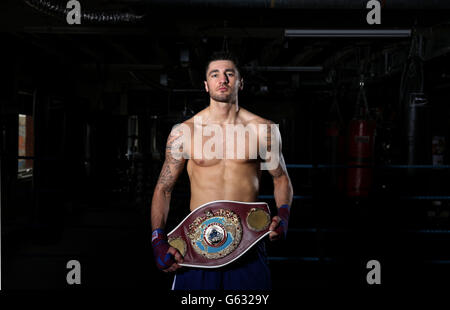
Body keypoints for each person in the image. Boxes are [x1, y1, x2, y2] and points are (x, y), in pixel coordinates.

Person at [150, 51, 293, 290]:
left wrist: (285, 216)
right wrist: (157, 239)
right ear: (206, 85)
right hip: (197, 246)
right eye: (215, 74)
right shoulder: (184, 132)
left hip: (248, 242)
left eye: (229, 74)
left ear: (240, 82)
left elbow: (281, 179)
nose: (222, 80)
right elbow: (163, 189)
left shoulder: (263, 130)